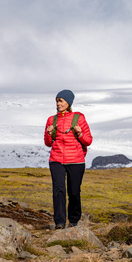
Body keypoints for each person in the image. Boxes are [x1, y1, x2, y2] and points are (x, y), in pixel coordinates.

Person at [44, 89, 93, 229]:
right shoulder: (51, 120)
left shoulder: (79, 118)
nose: (58, 104)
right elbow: (48, 143)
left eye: (61, 101)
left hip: (76, 160)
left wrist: (80, 132)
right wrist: (49, 133)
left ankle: (73, 221)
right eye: (57, 101)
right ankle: (59, 222)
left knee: (74, 192)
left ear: (68, 102)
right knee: (58, 191)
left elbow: (88, 141)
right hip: (56, 160)